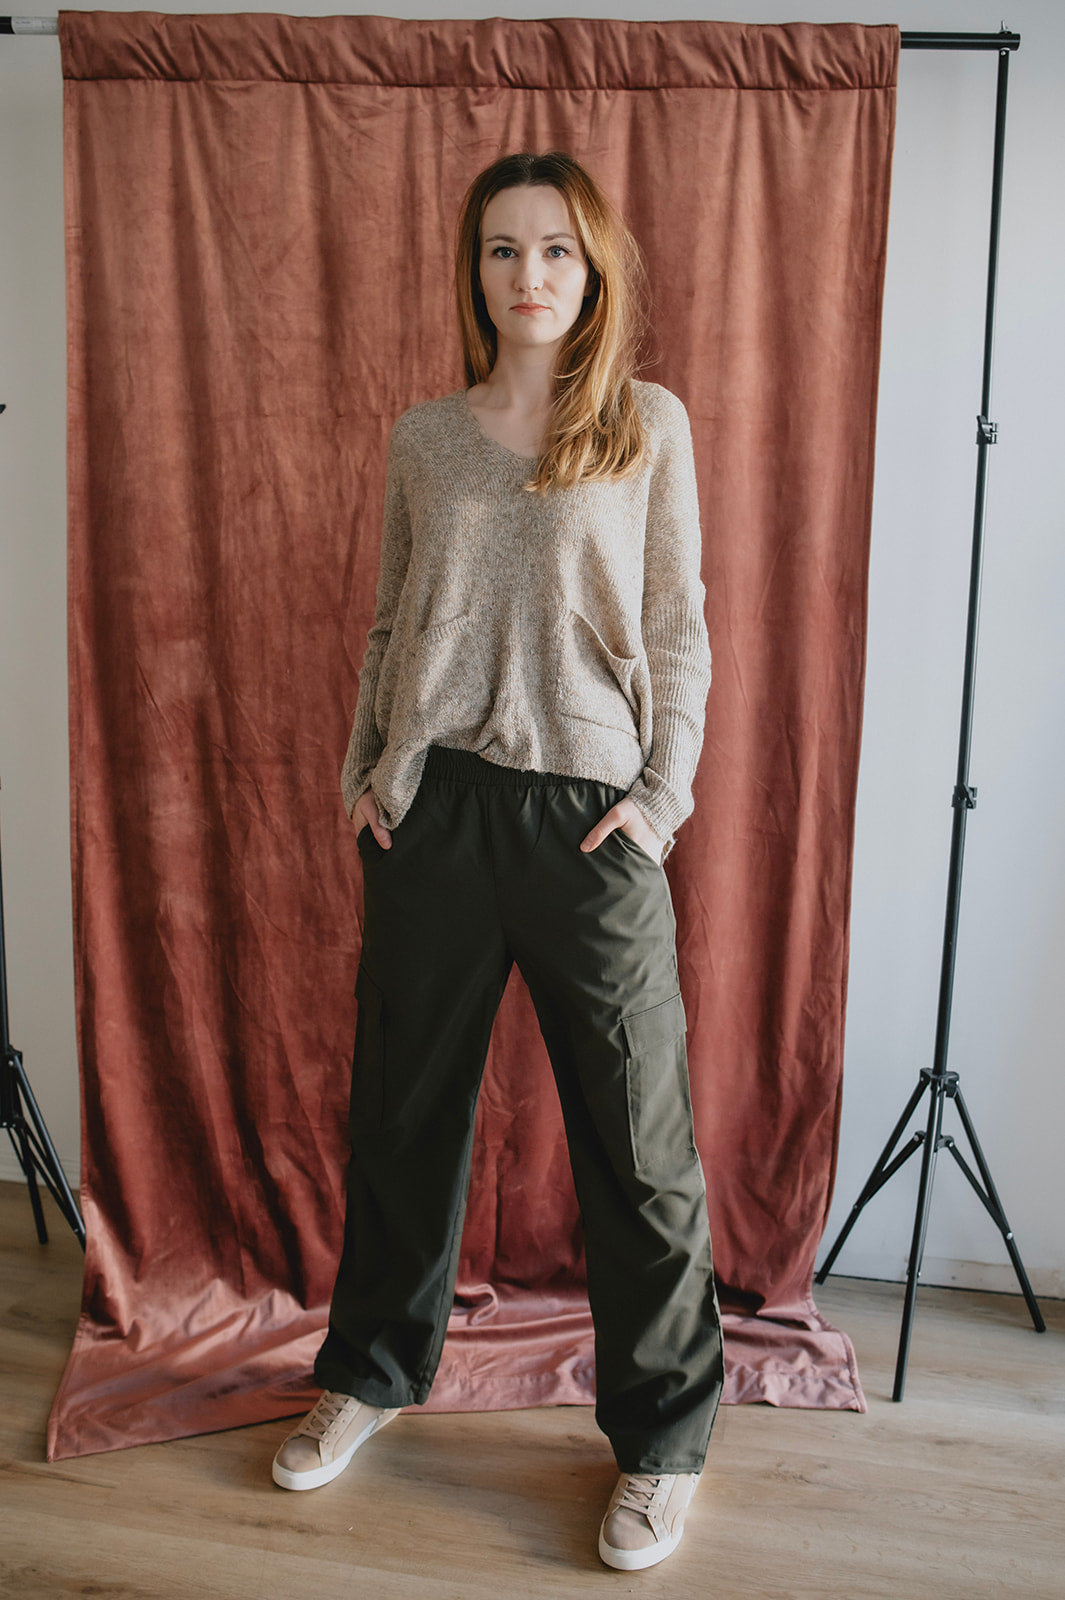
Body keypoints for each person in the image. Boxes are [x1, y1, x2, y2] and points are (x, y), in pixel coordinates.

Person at [271, 149, 723, 1573]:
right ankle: (369, 1375)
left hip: (592, 823)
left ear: (595, 271)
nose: (528, 275)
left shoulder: (645, 424)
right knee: (403, 1120)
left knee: (640, 1145)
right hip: (435, 818)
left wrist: (659, 799)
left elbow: (678, 627)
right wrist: (367, 775)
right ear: (474, 273)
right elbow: (390, 622)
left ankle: (662, 1446)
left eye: (555, 250)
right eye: (502, 250)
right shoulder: (424, 438)